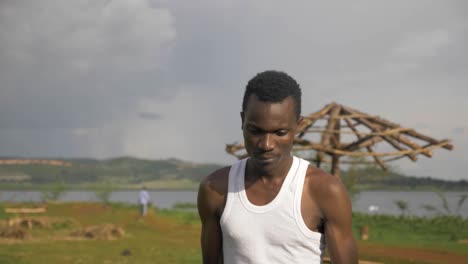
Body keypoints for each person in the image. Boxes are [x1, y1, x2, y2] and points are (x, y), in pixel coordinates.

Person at [197, 70, 358, 263]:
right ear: (242, 121)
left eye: (280, 132)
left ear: (298, 126)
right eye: (255, 131)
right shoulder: (215, 189)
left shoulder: (324, 191)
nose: (266, 144)